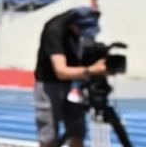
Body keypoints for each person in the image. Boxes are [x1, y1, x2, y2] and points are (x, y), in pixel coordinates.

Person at [34, 8, 107, 147]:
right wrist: (91, 70)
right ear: (73, 24)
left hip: (75, 82)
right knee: (49, 135)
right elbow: (61, 71)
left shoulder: (82, 29)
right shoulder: (54, 30)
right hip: (50, 84)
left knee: (77, 132)